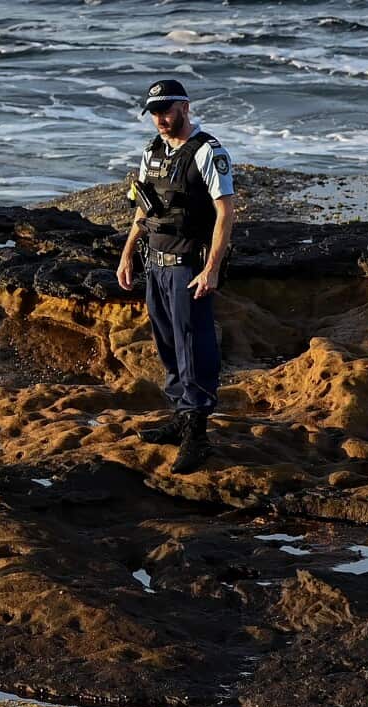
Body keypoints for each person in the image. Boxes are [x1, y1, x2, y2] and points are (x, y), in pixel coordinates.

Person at [116, 79, 235, 474]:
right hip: (155, 265)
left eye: (167, 109)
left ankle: (197, 434)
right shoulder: (152, 151)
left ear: (185, 106)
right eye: (153, 112)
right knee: (167, 344)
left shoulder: (207, 152)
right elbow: (143, 207)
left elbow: (225, 213)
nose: (160, 118)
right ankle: (179, 419)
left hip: (188, 267)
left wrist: (212, 268)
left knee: (194, 347)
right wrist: (127, 252)